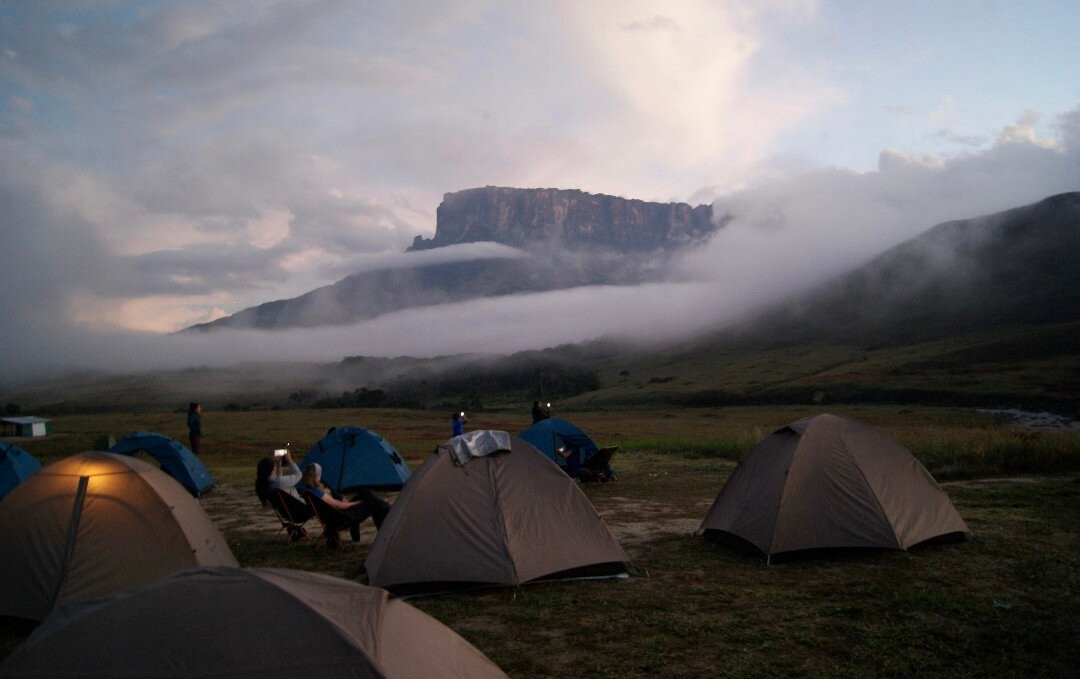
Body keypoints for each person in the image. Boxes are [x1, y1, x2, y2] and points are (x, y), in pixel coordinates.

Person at [298, 463, 388, 543]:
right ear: (316, 476)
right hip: (340, 517)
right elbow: (339, 505)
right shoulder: (317, 493)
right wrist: (356, 503)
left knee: (366, 493)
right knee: (371, 502)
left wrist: (348, 502)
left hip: (335, 515)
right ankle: (385, 516)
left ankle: (383, 514)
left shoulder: (309, 492)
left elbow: (336, 504)